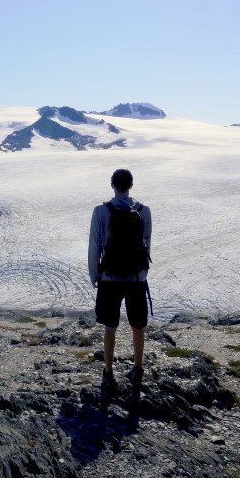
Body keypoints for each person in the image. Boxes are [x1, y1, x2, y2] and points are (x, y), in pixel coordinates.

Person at [88, 168, 152, 391]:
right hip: (136, 277)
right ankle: (137, 367)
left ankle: (108, 371)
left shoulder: (101, 211)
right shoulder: (144, 211)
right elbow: (146, 244)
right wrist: (142, 273)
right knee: (137, 324)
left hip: (110, 277)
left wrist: (94, 274)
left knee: (110, 326)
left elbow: (95, 245)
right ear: (131, 185)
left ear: (112, 185)